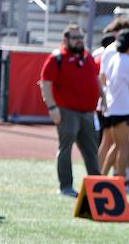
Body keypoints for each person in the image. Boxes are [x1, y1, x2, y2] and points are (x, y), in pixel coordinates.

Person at [38, 24, 100, 197]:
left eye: (81, 37)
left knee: (92, 150)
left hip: (88, 112)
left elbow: (95, 78)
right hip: (67, 111)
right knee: (66, 148)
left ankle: (97, 185)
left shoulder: (87, 56)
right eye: (75, 38)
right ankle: (66, 185)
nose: (79, 41)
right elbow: (46, 84)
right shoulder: (57, 58)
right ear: (66, 40)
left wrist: (103, 98)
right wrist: (52, 107)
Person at [101, 30, 129, 190]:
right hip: (122, 109)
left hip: (112, 108)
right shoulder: (128, 61)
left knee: (116, 145)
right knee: (125, 147)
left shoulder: (114, 58)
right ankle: (120, 183)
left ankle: (102, 178)